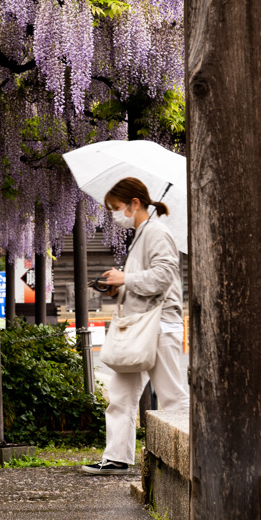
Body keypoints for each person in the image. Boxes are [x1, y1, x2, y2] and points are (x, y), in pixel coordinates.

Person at [82, 177, 189, 475]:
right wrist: (117, 287)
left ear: (135, 203)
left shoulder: (156, 232)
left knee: (171, 395)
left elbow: (164, 276)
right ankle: (116, 457)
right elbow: (148, 281)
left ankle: (189, 455)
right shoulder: (142, 234)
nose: (115, 215)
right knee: (120, 395)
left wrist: (125, 278)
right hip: (140, 326)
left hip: (158, 325)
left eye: (117, 208)